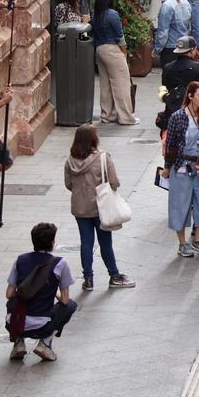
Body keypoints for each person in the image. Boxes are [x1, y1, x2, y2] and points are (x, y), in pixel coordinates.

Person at [64, 124, 136, 291]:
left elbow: (68, 184)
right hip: (100, 207)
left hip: (80, 207)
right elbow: (114, 182)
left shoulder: (70, 160)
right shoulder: (103, 157)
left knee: (86, 243)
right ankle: (114, 275)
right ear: (93, 139)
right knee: (105, 243)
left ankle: (88, 279)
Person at [6, 223, 78, 362]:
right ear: (52, 242)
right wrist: (52, 292)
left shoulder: (20, 260)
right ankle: (45, 343)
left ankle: (18, 342)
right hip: (41, 325)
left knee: (13, 302)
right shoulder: (60, 263)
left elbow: (9, 294)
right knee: (70, 306)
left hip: (14, 323)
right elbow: (64, 300)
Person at [163, 81, 199, 258]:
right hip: (181, 166)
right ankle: (182, 243)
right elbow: (171, 145)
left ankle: (198, 240)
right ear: (190, 96)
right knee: (180, 205)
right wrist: (167, 167)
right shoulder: (178, 117)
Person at [92, 0, 138, 125]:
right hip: (112, 49)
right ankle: (126, 117)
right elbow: (120, 36)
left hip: (99, 50)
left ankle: (107, 115)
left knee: (105, 84)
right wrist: (123, 53)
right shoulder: (112, 14)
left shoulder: (96, 16)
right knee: (121, 84)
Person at [162, 36, 199, 116]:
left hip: (171, 109)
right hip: (192, 110)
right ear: (192, 50)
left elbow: (164, 87)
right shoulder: (198, 67)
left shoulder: (167, 67)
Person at [155, 0, 191, 67]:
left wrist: (157, 49)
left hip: (170, 48)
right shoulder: (186, 3)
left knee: (169, 77)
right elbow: (189, 27)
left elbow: (163, 31)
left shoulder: (167, 5)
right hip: (184, 47)